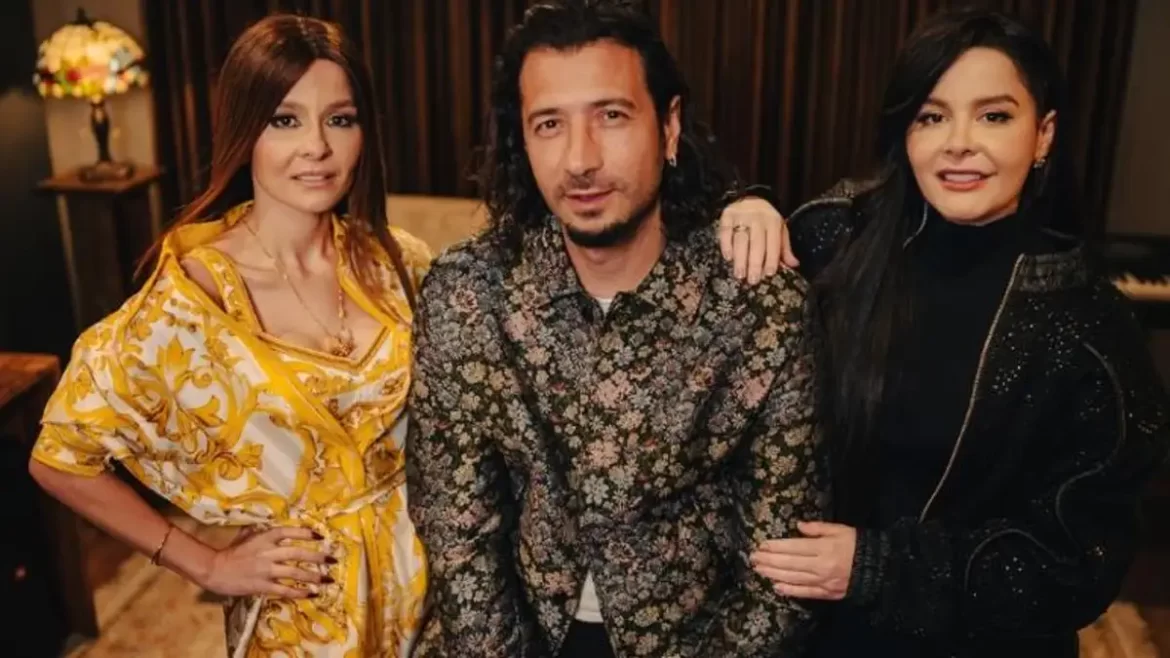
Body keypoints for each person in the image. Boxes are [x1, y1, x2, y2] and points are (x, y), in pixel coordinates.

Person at [405, 1, 828, 657]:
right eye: (550, 124)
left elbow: (784, 566)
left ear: (669, 126)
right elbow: (459, 531)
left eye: (611, 116)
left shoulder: (757, 304)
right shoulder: (468, 294)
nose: (580, 159)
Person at [749, 9, 1170, 657]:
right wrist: (743, 201)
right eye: (931, 116)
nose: (959, 143)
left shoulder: (1091, 328)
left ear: (1043, 134)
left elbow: (1078, 565)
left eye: (994, 116)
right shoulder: (836, 235)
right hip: (808, 634)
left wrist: (878, 567)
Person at [28, 15, 432, 657]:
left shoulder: (397, 260)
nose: (317, 147)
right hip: (306, 620)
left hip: (426, 595)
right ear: (245, 131)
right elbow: (59, 458)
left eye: (340, 119)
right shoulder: (191, 302)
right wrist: (205, 564)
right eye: (285, 120)